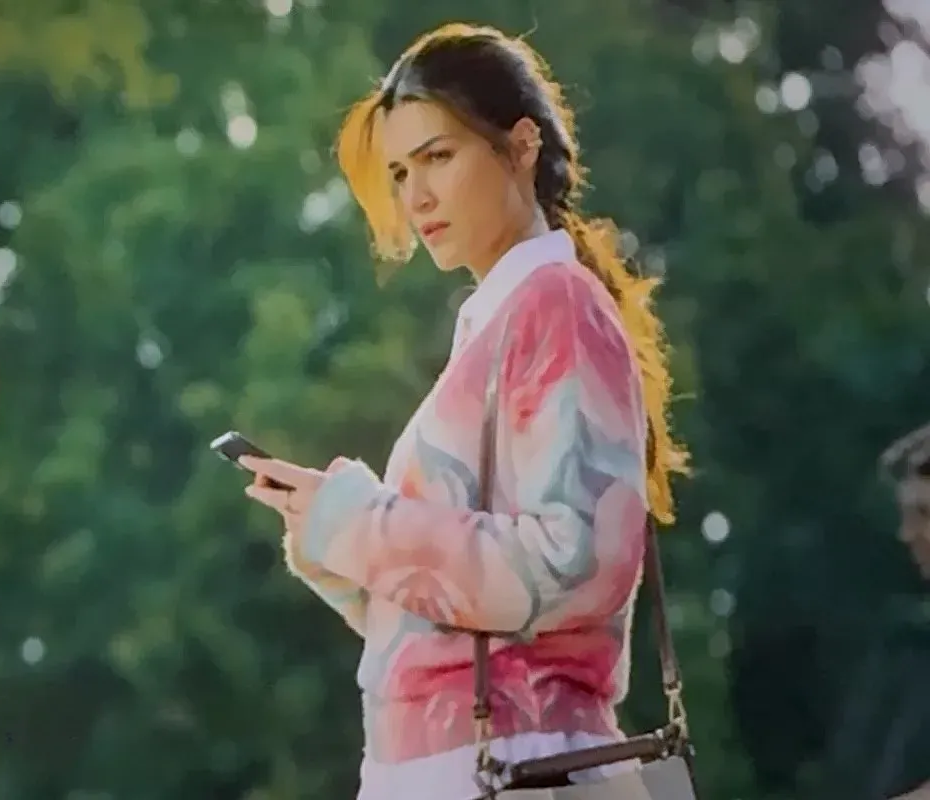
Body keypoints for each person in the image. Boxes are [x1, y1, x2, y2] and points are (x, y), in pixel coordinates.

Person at [236, 23, 689, 800]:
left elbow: (578, 562)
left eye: (438, 157)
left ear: (521, 146)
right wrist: (334, 537)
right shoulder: (500, 317)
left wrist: (365, 523)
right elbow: (459, 619)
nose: (416, 197)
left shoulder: (555, 302)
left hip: (519, 758)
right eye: (400, 172)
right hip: (455, 763)